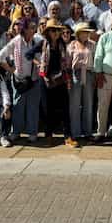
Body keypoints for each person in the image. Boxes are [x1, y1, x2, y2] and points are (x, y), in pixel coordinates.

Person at [0, 18, 42, 143]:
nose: (33, 30)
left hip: (34, 79)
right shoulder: (16, 41)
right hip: (19, 80)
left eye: (34, 27)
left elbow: (41, 57)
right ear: (25, 29)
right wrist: (12, 71)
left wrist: (40, 65)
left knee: (33, 108)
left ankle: (32, 133)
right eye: (31, 27)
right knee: (18, 107)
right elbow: (0, 57)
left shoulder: (37, 40)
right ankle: (16, 132)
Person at [39, 19, 77, 147]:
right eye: (53, 30)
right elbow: (28, 55)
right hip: (47, 81)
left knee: (65, 108)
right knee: (48, 110)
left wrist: (68, 79)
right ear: (48, 32)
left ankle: (68, 137)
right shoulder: (43, 44)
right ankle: (48, 135)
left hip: (60, 79)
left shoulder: (62, 44)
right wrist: (39, 65)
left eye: (57, 30)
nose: (55, 33)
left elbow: (65, 63)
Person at [67, 22, 96, 140]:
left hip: (89, 73)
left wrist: (95, 76)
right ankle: (75, 132)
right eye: (84, 32)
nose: (86, 34)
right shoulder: (72, 45)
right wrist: (68, 78)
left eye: (87, 32)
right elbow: (68, 63)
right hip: (75, 74)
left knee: (88, 104)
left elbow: (96, 60)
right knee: (74, 104)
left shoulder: (93, 44)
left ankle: (88, 132)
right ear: (78, 33)